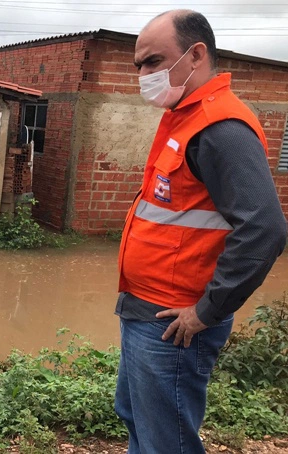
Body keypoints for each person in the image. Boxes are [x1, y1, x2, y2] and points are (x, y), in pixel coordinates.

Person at [115, 9, 287, 453]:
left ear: (195, 55)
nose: (144, 74)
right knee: (140, 422)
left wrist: (206, 312)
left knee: (165, 442)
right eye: (139, 66)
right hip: (145, 308)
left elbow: (265, 229)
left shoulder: (221, 128)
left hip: (175, 324)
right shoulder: (183, 116)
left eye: (154, 61)